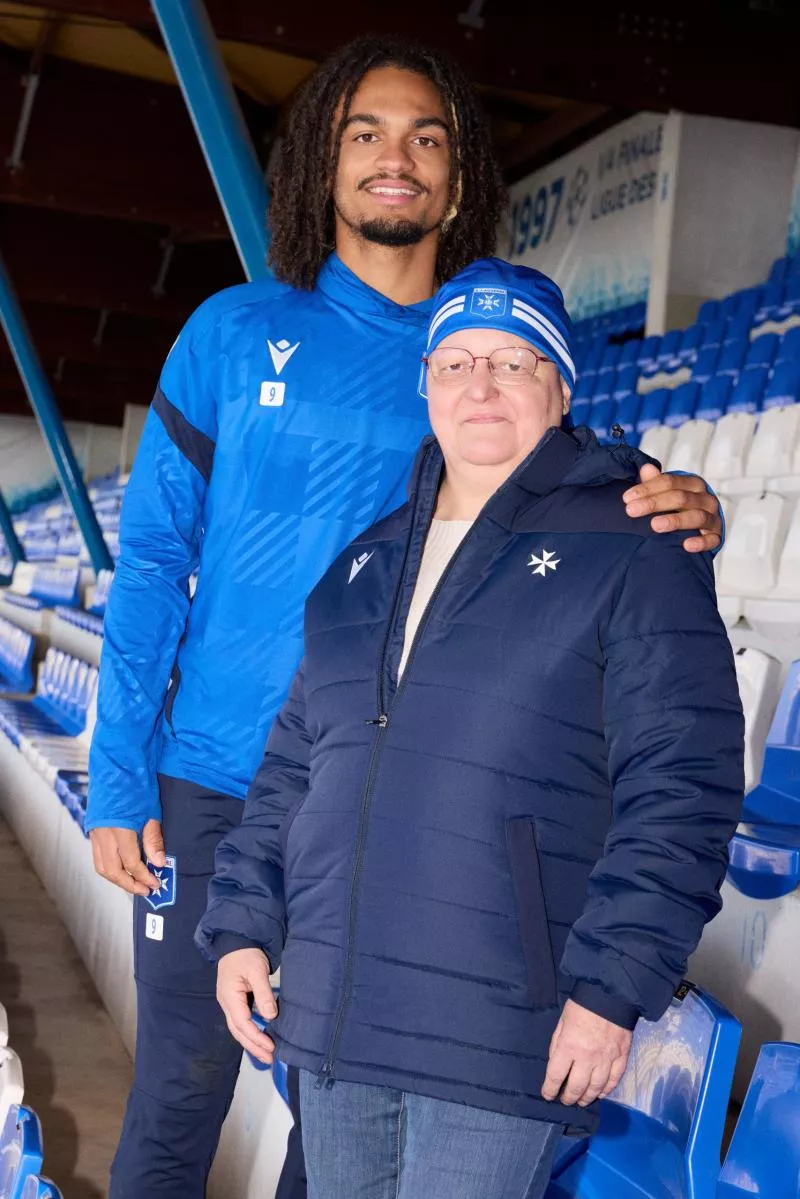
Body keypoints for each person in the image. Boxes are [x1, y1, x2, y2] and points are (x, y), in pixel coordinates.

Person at [85, 36, 724, 1199]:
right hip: (210, 780)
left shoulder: (478, 356)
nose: (396, 158)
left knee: (322, 1108)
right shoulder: (231, 333)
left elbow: (587, 490)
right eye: (364, 134)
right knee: (179, 1089)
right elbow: (151, 562)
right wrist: (120, 772)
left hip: (375, 798)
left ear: (459, 175)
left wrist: (694, 497)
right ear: (319, 167)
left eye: (426, 137)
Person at [197, 258, 744, 1199]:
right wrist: (245, 920)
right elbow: (293, 766)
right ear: (426, 386)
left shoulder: (638, 543)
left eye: (513, 361)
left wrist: (609, 991)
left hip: (502, 1032)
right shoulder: (364, 563)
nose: (480, 385)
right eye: (455, 362)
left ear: (561, 385)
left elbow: (682, 789)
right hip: (335, 1013)